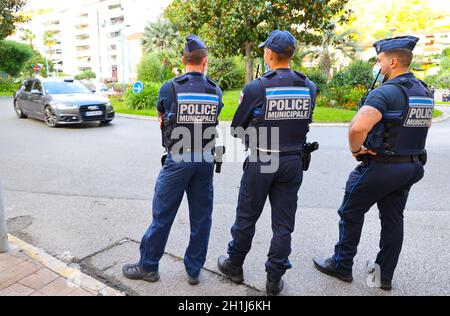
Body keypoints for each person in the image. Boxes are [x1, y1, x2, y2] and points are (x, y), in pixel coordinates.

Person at [313, 36, 434, 291]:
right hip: (411, 166)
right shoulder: (423, 91)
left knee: (350, 210)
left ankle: (341, 265)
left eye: (379, 60)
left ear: (392, 61)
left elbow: (358, 126)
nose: (377, 66)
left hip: (383, 166)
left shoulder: (387, 92)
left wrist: (356, 149)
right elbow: (425, 126)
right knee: (392, 219)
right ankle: (382, 277)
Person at [217, 30, 317, 296]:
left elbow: (237, 128)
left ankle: (235, 265)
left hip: (262, 158)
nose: (264, 53)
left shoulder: (257, 87)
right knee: (283, 224)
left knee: (247, 215)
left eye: (265, 50)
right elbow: (306, 120)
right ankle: (274, 280)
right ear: (292, 54)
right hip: (293, 160)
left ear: (270, 54)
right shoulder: (309, 86)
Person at [122, 35, 224, 285]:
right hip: (205, 160)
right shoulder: (215, 89)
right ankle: (193, 269)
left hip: (178, 159)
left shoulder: (170, 87)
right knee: (201, 216)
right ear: (205, 61)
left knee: (163, 213)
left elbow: (160, 114)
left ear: (183, 60)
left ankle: (148, 266)